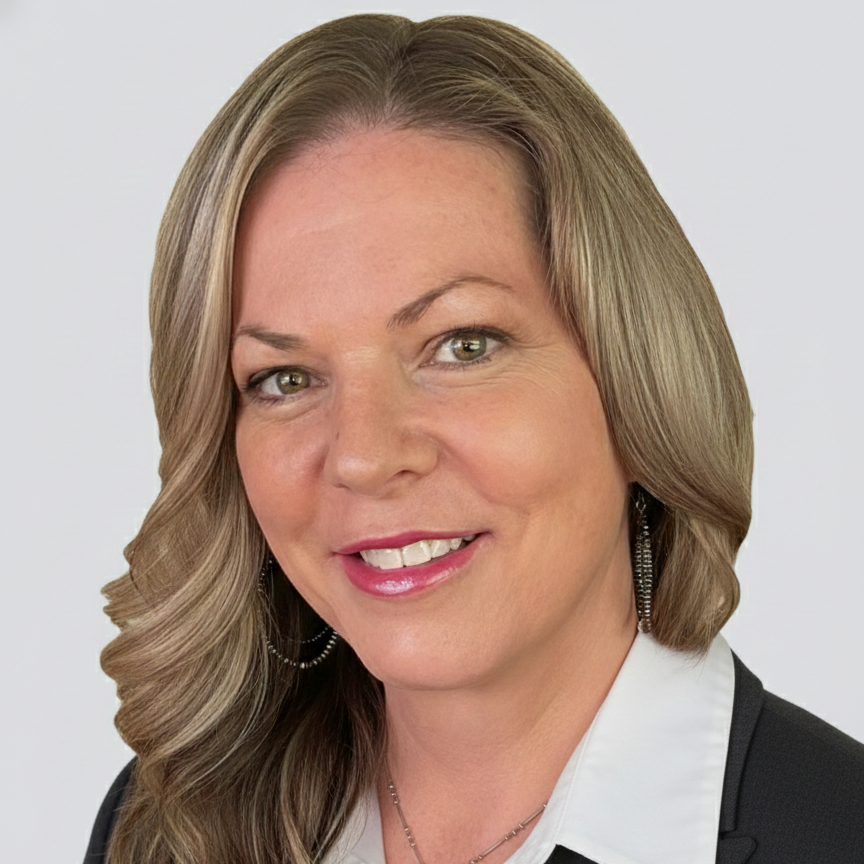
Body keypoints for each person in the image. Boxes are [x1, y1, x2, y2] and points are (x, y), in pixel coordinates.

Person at [84, 13, 864, 864]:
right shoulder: (164, 829)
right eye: (286, 379)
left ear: (635, 375)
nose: (364, 455)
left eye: (463, 344)